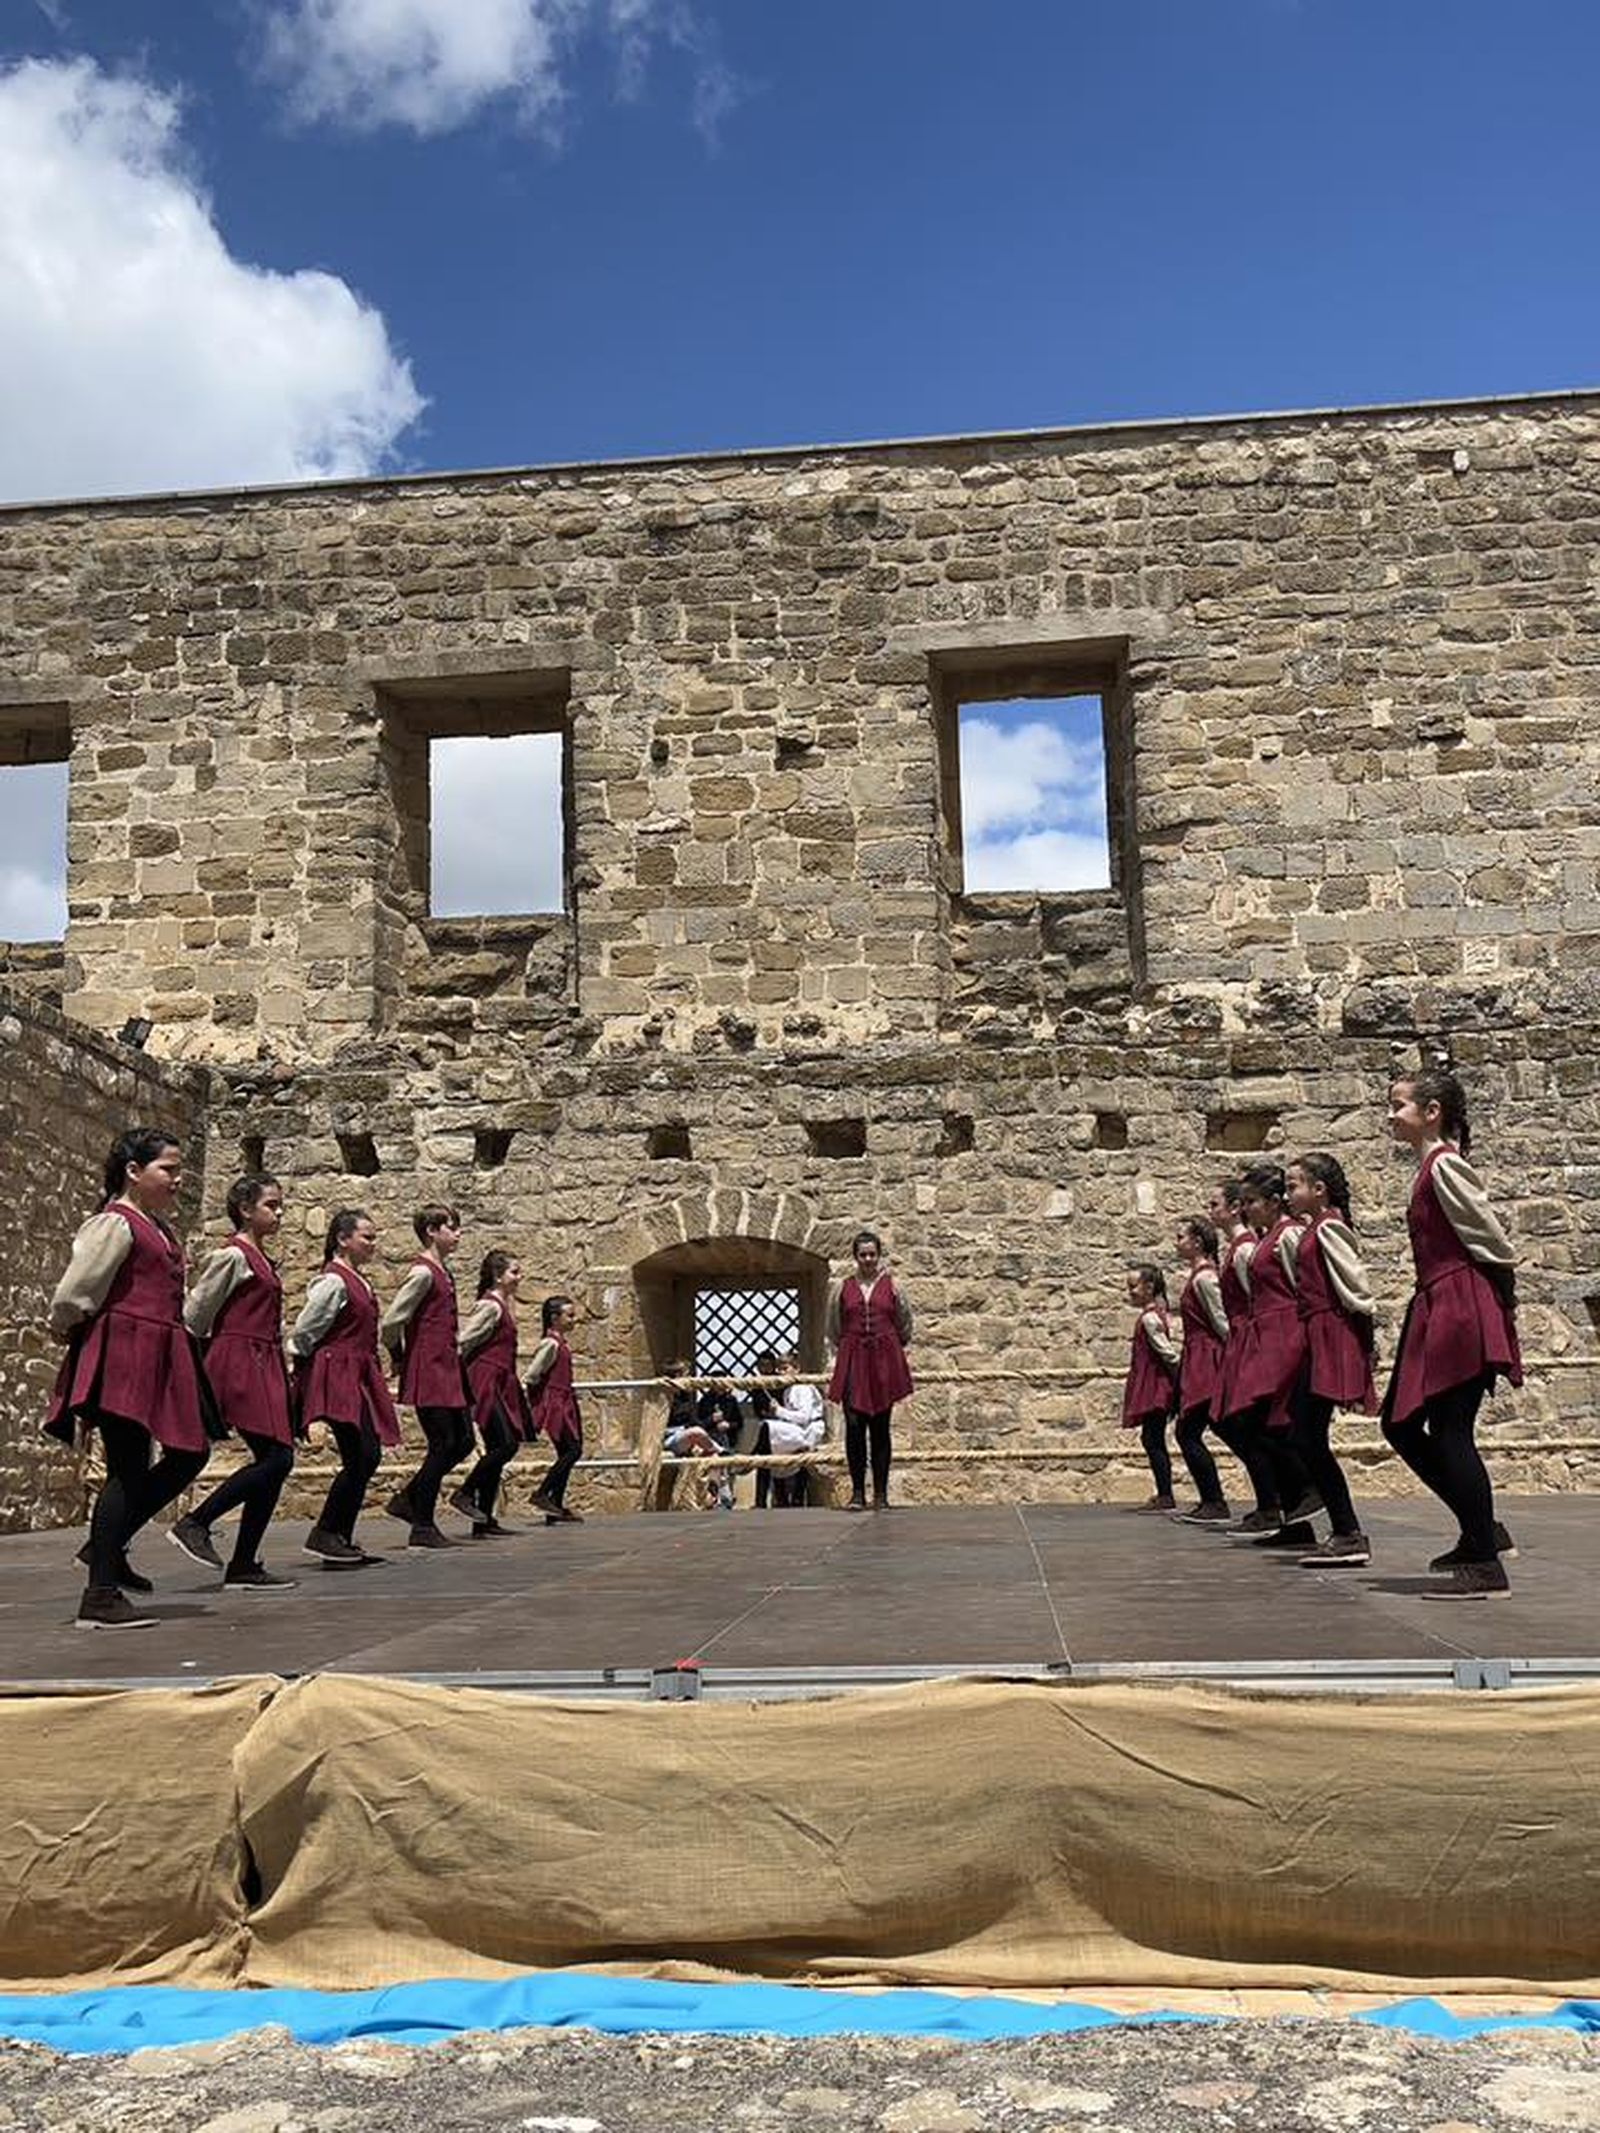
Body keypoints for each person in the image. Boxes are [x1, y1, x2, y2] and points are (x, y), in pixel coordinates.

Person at [46, 1127, 215, 1630]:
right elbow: (73, 1294)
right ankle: (99, 1592)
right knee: (127, 1466)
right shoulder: (114, 1224)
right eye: (168, 1169)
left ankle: (107, 1546)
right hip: (125, 1351)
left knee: (190, 1451)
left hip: (157, 1349)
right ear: (134, 1172)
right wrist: (72, 1336)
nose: (177, 1179)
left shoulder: (157, 1228)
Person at [1382, 1068, 1521, 1598]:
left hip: (1458, 1303)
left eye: (1400, 1105)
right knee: (1401, 1423)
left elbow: (1491, 1237)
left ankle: (1484, 1559)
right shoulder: (1429, 1167)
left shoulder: (1445, 1166)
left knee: (1452, 1431)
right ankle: (1481, 1531)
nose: (1392, 1115)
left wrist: (1497, 1305)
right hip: (1437, 1303)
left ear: (1431, 1111)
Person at [173, 1173, 298, 1591]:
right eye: (271, 1205)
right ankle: (197, 1522)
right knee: (277, 1457)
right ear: (246, 1209)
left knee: (276, 1460)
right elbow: (195, 1313)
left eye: (280, 1206)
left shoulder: (260, 1256)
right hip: (239, 1359)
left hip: (262, 1360)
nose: (279, 1213)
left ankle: (243, 1563)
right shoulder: (234, 1256)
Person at [291, 1208, 401, 1565]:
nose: (373, 1243)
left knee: (365, 1455)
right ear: (343, 1239)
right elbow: (306, 1331)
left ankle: (338, 1536)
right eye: (366, 1236)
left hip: (356, 1374)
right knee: (363, 1453)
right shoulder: (335, 1281)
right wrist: (303, 1368)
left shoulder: (358, 1281)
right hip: (338, 1373)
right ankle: (326, 1533)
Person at [1285, 1154, 1379, 1570]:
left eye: (1294, 1186)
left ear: (1318, 1189)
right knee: (1304, 1431)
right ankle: (1343, 1527)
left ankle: (1348, 1531)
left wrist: (1365, 1342)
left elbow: (1356, 1286)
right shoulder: (1313, 1228)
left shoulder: (1329, 1227)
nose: (1288, 1194)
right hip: (1316, 1335)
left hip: (1331, 1334)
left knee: (1307, 1433)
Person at [1229, 1161, 1320, 1552]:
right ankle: (1293, 1517)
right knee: (1258, 1422)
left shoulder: (1288, 1236)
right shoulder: (1266, 1239)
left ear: (1272, 1201)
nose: (1246, 1208)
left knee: (1276, 1425)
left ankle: (1309, 1491)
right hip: (1268, 1336)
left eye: (1251, 1201)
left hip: (1286, 1334)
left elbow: (1303, 1283)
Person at [381, 1204, 474, 1549]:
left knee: (463, 1440)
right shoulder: (422, 1273)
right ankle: (422, 1524)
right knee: (442, 1443)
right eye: (452, 1226)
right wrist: (398, 1356)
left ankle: (409, 1497)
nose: (458, 1233)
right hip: (429, 1367)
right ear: (432, 1231)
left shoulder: (443, 1271)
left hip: (448, 1368)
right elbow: (392, 1321)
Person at [1207, 1177, 1281, 1535]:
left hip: (1249, 1337)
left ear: (1235, 1207)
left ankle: (1273, 1502)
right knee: (1234, 1421)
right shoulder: (1235, 1248)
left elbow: (1258, 1296)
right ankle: (1270, 1501)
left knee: (1246, 1422)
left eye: (1215, 1204)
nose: (1211, 1211)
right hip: (1240, 1339)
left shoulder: (1244, 1250)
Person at [827, 1229, 913, 1512]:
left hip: (883, 1361)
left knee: (880, 1427)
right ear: (855, 1257)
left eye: (872, 1254)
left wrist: (887, 1346)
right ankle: (856, 1494)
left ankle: (880, 1495)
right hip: (853, 1359)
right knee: (854, 1426)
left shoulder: (893, 1287)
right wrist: (851, 1345)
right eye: (862, 1254)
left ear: (878, 1255)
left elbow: (904, 1323)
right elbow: (834, 1327)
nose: (867, 1259)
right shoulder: (843, 1288)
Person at [452, 1250, 531, 1538]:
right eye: (515, 1272)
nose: (519, 1277)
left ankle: (483, 1520)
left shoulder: (502, 1305)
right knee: (505, 1445)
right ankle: (466, 1492)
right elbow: (465, 1341)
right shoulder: (491, 1306)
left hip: (499, 1382)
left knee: (501, 1444)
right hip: (486, 1381)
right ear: (499, 1276)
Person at [1170, 1215, 1231, 1524]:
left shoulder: (1205, 1278)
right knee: (1217, 1428)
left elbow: (1221, 1321)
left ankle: (1215, 1501)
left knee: (1189, 1430)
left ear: (1197, 1242)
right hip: (1199, 1358)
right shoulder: (1198, 1276)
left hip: (1208, 1359)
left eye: (1181, 1237)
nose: (1176, 1242)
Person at [1121, 1264, 1182, 1511]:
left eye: (1133, 1286)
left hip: (1156, 1385)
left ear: (1149, 1287)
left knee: (1153, 1438)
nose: (1130, 1292)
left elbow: (1167, 1353)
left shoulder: (1149, 1318)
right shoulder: (1154, 1315)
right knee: (1152, 1438)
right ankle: (1164, 1493)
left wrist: (1180, 1378)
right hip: (1153, 1383)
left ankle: (1166, 1494)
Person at [526, 1294, 584, 1524]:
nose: (574, 1319)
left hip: (564, 1401)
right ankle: (543, 1494)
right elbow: (532, 1374)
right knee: (572, 1450)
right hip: (556, 1403)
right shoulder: (550, 1344)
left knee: (566, 1452)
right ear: (554, 1318)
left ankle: (555, 1508)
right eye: (569, 1315)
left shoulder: (559, 1342)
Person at [766, 1350, 827, 1508]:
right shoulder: (787, 1391)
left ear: (796, 1368)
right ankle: (783, 1498)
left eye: (785, 1368)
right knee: (775, 1449)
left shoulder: (804, 1387)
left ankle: (797, 1497)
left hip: (810, 1429)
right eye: (779, 1369)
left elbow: (804, 1417)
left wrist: (780, 1411)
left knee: (771, 1434)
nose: (780, 1372)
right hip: (797, 1429)